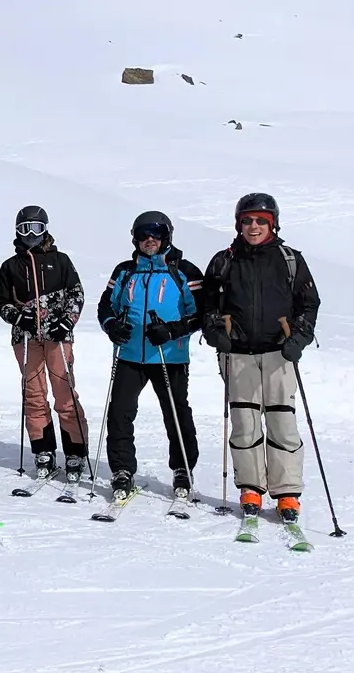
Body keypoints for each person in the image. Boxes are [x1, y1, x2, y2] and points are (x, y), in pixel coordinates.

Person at [200, 194, 320, 523]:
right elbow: (207, 305)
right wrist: (215, 333)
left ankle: (287, 492)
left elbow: (309, 303)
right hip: (238, 354)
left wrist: (299, 339)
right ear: (238, 223)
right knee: (245, 423)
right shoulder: (224, 261)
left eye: (261, 221)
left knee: (282, 422)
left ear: (272, 224)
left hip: (279, 352)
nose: (253, 226)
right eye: (247, 220)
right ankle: (251, 487)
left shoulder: (289, 259)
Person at [97, 211, 205, 500]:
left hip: (169, 355)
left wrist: (171, 331)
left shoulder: (184, 271)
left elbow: (202, 314)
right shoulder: (124, 271)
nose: (149, 240)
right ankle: (122, 469)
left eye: (155, 234)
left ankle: (182, 467)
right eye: (143, 234)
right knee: (120, 412)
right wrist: (112, 326)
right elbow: (105, 307)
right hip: (130, 354)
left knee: (176, 412)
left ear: (166, 236)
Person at [0, 205, 89, 481]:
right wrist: (17, 317)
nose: (30, 234)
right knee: (34, 394)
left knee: (64, 392)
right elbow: (2, 302)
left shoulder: (60, 260)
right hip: (26, 338)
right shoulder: (10, 266)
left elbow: (76, 294)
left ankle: (75, 450)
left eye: (36, 228)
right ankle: (43, 449)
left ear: (45, 230)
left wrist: (67, 321)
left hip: (57, 336)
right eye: (24, 229)